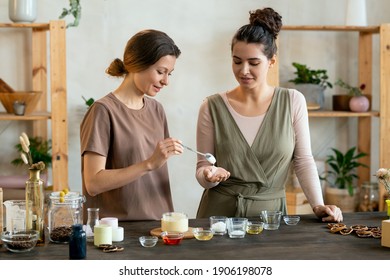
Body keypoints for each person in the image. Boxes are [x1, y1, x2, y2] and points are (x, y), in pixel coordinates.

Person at [195, 7, 343, 223]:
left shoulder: (293, 101)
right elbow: (202, 168)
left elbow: (303, 161)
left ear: (271, 61)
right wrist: (209, 176)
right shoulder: (211, 106)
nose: (244, 70)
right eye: (237, 61)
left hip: (270, 218)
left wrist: (318, 205)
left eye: (253, 63)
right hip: (218, 217)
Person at [80, 29, 183, 221]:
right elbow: (93, 183)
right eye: (160, 72)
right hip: (116, 231)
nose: (166, 81)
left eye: (170, 73)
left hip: (160, 226)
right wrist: (149, 164)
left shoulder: (157, 110)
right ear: (137, 64)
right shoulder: (103, 111)